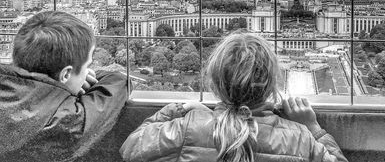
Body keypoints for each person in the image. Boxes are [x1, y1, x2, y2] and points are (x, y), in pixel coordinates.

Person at [120, 32, 347, 162]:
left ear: (217, 84)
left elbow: (131, 147)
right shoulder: (300, 138)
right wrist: (314, 128)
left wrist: (182, 110)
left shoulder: (190, 127)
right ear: (271, 84)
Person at [0, 11, 130, 162]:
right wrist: (82, 81)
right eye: (87, 66)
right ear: (66, 74)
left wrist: (77, 74)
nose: (87, 71)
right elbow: (118, 81)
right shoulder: (63, 121)